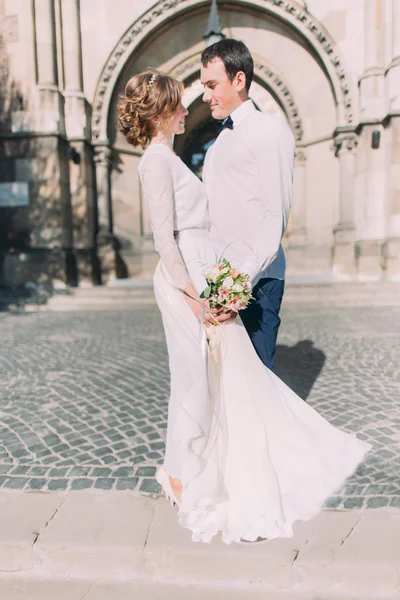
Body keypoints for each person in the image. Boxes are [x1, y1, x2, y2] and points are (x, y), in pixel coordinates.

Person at [118, 69, 371, 545]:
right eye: (177, 105)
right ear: (159, 113)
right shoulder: (154, 160)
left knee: (211, 376)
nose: (184, 111)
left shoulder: (168, 157)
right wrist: (195, 300)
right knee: (193, 376)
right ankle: (177, 473)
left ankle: (188, 469)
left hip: (200, 273)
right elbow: (163, 241)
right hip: (183, 281)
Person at [201, 39, 294, 371]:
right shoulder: (216, 146)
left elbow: (274, 215)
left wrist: (238, 286)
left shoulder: (270, 131)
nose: (204, 96)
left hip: (258, 282)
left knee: (259, 386)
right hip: (221, 283)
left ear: (238, 80)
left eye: (212, 85)